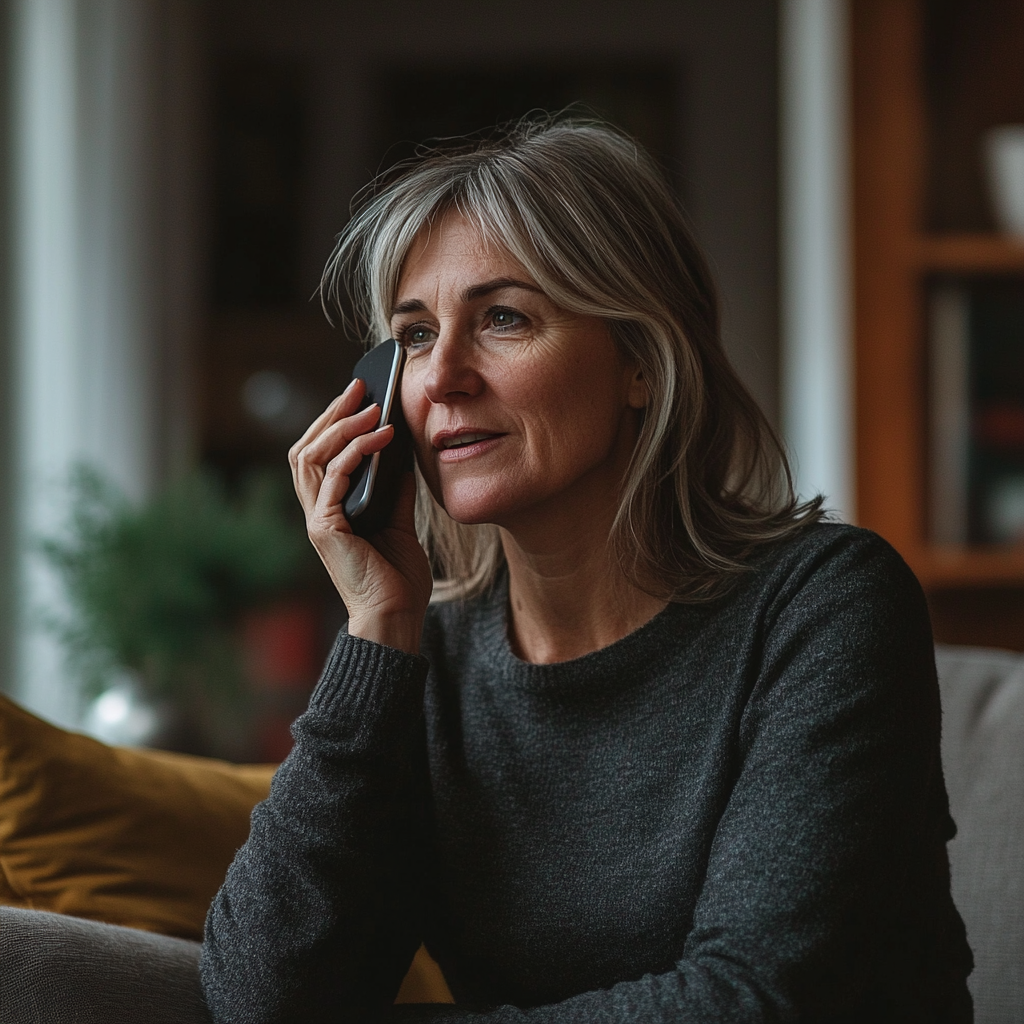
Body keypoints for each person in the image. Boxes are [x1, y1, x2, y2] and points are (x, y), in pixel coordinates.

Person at [199, 118, 973, 1023]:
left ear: (640, 361)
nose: (441, 375)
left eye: (503, 318)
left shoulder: (826, 604)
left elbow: (754, 1000)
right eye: (411, 336)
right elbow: (261, 1000)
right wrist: (377, 630)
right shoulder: (424, 659)